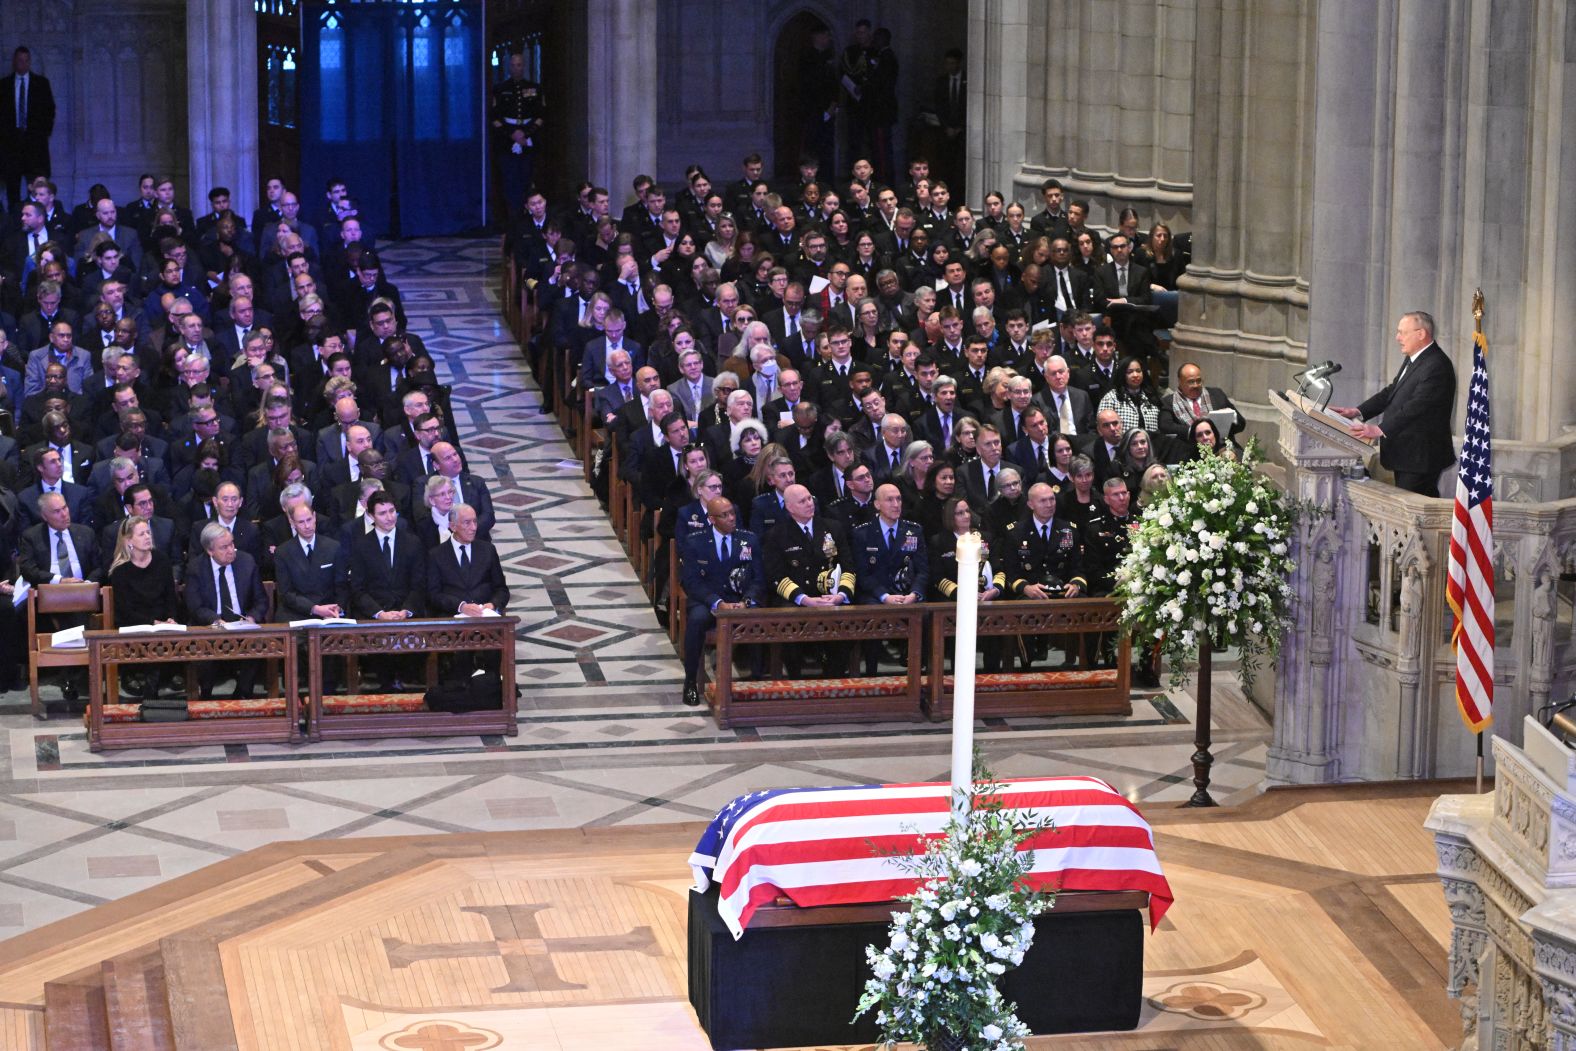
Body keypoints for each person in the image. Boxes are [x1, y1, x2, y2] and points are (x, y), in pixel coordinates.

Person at [1331, 310, 1458, 497]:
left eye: (1402, 332)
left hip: (1420, 457)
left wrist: (1380, 429)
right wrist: (1357, 411)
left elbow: (1417, 407)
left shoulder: (1437, 365)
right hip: (1408, 455)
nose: (1398, 338)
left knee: (1411, 515)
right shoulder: (1416, 359)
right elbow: (1392, 392)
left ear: (1421, 334)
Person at [678, 496, 763, 707]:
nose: (731, 518)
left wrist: (747, 600)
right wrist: (716, 602)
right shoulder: (695, 541)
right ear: (712, 519)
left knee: (759, 616)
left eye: (732, 513)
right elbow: (691, 581)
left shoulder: (749, 540)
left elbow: (759, 578)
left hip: (739, 599)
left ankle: (757, 680)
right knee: (696, 620)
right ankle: (690, 681)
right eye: (724, 515)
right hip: (708, 600)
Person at [186, 521, 268, 698]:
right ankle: (205, 696)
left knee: (258, 642)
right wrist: (215, 620)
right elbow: (195, 606)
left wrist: (252, 618)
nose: (231, 550)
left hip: (242, 625)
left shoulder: (246, 562)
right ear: (210, 551)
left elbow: (261, 600)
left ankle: (242, 694)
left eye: (232, 544)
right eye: (224, 547)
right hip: (211, 626)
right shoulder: (196, 567)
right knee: (202, 645)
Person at [852, 482, 927, 674]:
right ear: (877, 504)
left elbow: (922, 570)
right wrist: (884, 596)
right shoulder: (862, 533)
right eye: (890, 500)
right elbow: (863, 575)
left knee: (925, 613)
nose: (896, 504)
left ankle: (918, 671)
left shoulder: (914, 530)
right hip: (876, 594)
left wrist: (915, 594)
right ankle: (871, 672)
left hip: (906, 592)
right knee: (871, 613)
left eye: (899, 499)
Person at [107, 515, 182, 698]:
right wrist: (152, 623)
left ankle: (153, 687)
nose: (148, 536)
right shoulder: (120, 571)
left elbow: (170, 597)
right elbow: (125, 610)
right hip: (135, 623)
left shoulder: (161, 560)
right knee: (150, 639)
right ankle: (151, 689)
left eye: (148, 532)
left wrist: (171, 618)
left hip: (162, 622)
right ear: (128, 540)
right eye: (141, 534)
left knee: (169, 635)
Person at [490, 53, 545, 219]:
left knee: (527, 179)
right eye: (513, 65)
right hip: (507, 142)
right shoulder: (500, 89)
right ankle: (512, 216)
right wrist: (512, 134)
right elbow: (494, 118)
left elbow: (541, 116)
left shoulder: (534, 88)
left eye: (520, 65)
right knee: (510, 180)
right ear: (509, 67)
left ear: (524, 66)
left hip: (528, 140)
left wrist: (526, 134)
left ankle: (528, 214)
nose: (517, 68)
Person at [0, 47, 55, 211]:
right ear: (14, 62)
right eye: (19, 60)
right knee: (13, 191)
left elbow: (49, 111)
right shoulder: (3, 85)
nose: (22, 64)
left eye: (26, 60)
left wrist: (42, 134)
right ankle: (16, 225)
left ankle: (38, 220)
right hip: (11, 146)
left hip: (35, 146)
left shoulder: (41, 84)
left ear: (29, 62)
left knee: (37, 188)